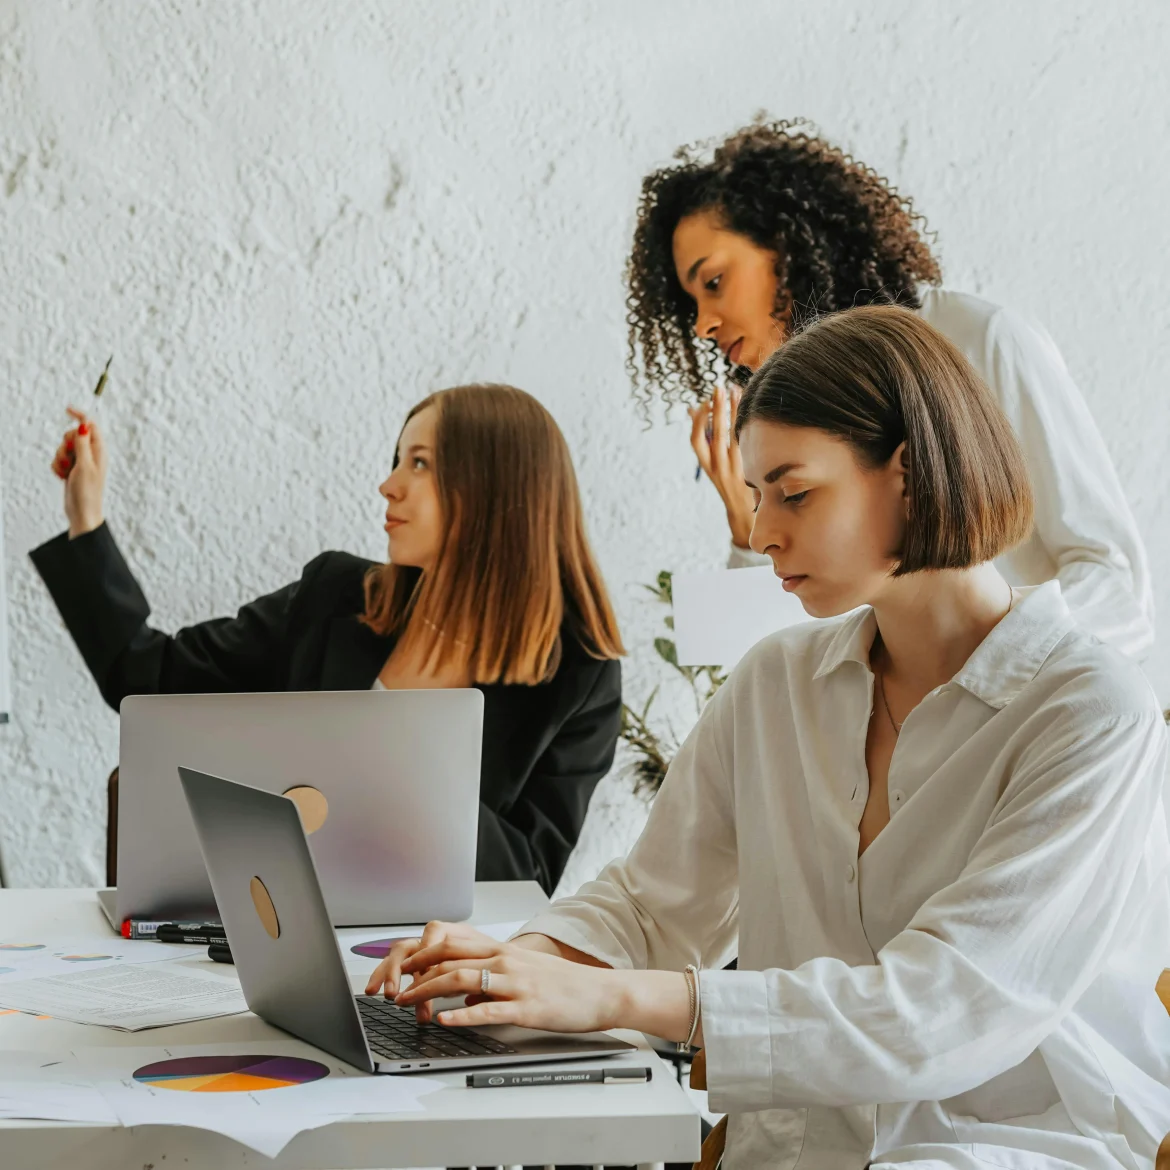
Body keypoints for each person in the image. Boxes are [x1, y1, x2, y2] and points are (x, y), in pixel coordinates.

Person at [367, 309, 1170, 1170]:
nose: (760, 533)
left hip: (1012, 1149)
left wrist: (609, 996)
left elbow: (942, 1014)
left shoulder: (1090, 711)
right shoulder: (777, 681)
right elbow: (653, 903)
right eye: (754, 497)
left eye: (794, 491)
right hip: (793, 1148)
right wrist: (511, 966)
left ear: (907, 472)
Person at [32, 383, 624, 894]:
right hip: (272, 926)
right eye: (398, 458)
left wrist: (401, 760)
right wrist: (86, 519)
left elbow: (530, 879)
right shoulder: (337, 596)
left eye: (420, 463)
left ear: (496, 490)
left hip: (424, 965)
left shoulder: (579, 675)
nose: (388, 485)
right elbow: (145, 676)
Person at [625, 118, 1154, 659]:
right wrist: (747, 518)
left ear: (788, 246)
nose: (701, 325)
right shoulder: (785, 422)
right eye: (690, 304)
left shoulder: (980, 341)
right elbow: (769, 660)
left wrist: (986, 669)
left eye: (713, 282)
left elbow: (1114, 582)